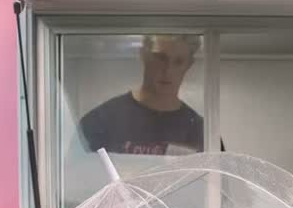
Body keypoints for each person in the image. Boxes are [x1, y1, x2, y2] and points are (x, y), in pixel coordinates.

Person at [79, 35, 207, 156]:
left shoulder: (201, 132)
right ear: (144, 55)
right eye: (161, 58)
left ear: (189, 65)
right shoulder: (100, 122)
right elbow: (75, 174)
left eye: (178, 61)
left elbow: (219, 177)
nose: (168, 70)